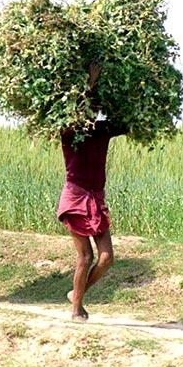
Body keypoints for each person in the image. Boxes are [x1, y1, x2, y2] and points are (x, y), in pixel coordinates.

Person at [58, 62, 128, 322]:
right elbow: (71, 115)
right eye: (90, 107)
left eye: (96, 108)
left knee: (107, 257)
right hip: (75, 197)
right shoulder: (68, 133)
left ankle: (76, 294)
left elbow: (128, 123)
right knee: (85, 257)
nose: (93, 112)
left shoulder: (102, 132)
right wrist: (89, 83)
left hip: (96, 198)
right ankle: (76, 308)